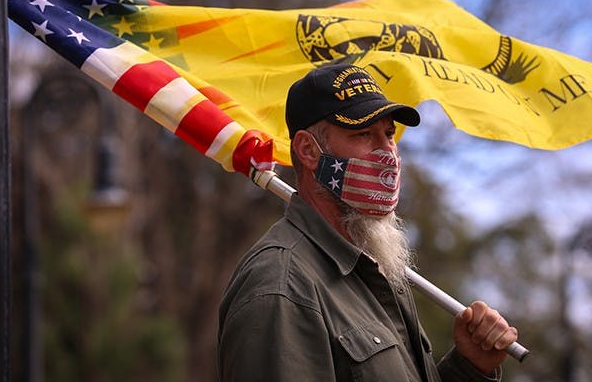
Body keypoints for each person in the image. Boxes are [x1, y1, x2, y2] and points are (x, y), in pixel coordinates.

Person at [218, 63, 519, 381]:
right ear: (308, 150)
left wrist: (469, 367)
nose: (388, 151)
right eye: (363, 133)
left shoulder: (374, 271)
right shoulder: (282, 288)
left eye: (389, 133)